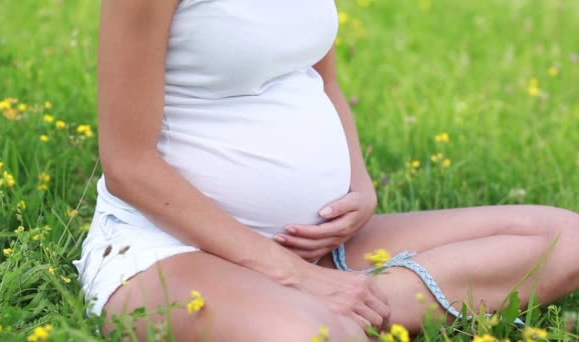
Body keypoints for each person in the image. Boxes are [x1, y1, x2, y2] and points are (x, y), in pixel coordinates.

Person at [73, 0, 579, 341]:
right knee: (313, 337)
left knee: (566, 240)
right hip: (173, 247)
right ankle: (321, 308)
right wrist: (288, 273)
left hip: (313, 245)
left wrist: (360, 185)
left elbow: (321, 79)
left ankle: (344, 302)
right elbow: (128, 165)